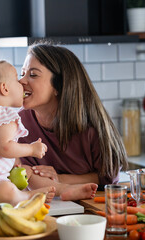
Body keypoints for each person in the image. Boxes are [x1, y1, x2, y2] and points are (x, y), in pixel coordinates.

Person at [0, 58, 98, 207]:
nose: (22, 82)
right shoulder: (4, 114)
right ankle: (27, 196)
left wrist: (18, 165)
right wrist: (31, 149)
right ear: (5, 89)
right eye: (17, 79)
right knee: (5, 189)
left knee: (27, 171)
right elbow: (3, 148)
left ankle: (64, 190)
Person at [18, 42, 128, 187]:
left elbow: (109, 177)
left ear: (59, 86)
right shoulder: (20, 123)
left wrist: (60, 179)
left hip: (89, 204)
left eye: (33, 74)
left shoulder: (91, 127)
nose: (21, 80)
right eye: (22, 73)